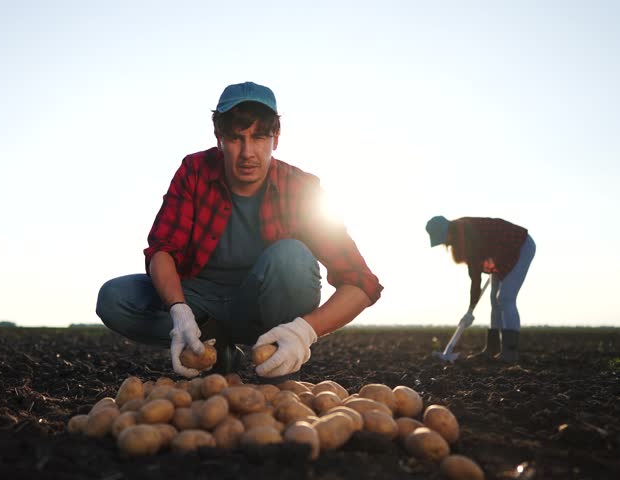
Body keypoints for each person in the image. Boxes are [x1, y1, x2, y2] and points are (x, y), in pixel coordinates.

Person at [96, 81, 382, 380]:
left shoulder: (301, 188)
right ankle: (214, 352)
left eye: (259, 137)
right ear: (219, 138)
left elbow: (361, 283)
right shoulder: (194, 171)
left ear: (276, 137)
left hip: (261, 308)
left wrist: (304, 332)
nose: (247, 152)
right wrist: (179, 312)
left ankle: (278, 366)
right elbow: (163, 249)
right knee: (115, 298)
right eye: (235, 138)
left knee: (292, 256)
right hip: (200, 304)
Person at [425, 216, 536, 363]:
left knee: (505, 297)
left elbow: (476, 278)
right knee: (494, 300)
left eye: (444, 239)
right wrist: (471, 308)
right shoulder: (462, 232)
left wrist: (471, 309)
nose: (446, 244)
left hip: (520, 246)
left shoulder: (468, 234)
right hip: (501, 252)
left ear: (448, 232)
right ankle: (493, 349)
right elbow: (475, 274)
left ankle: (510, 353)